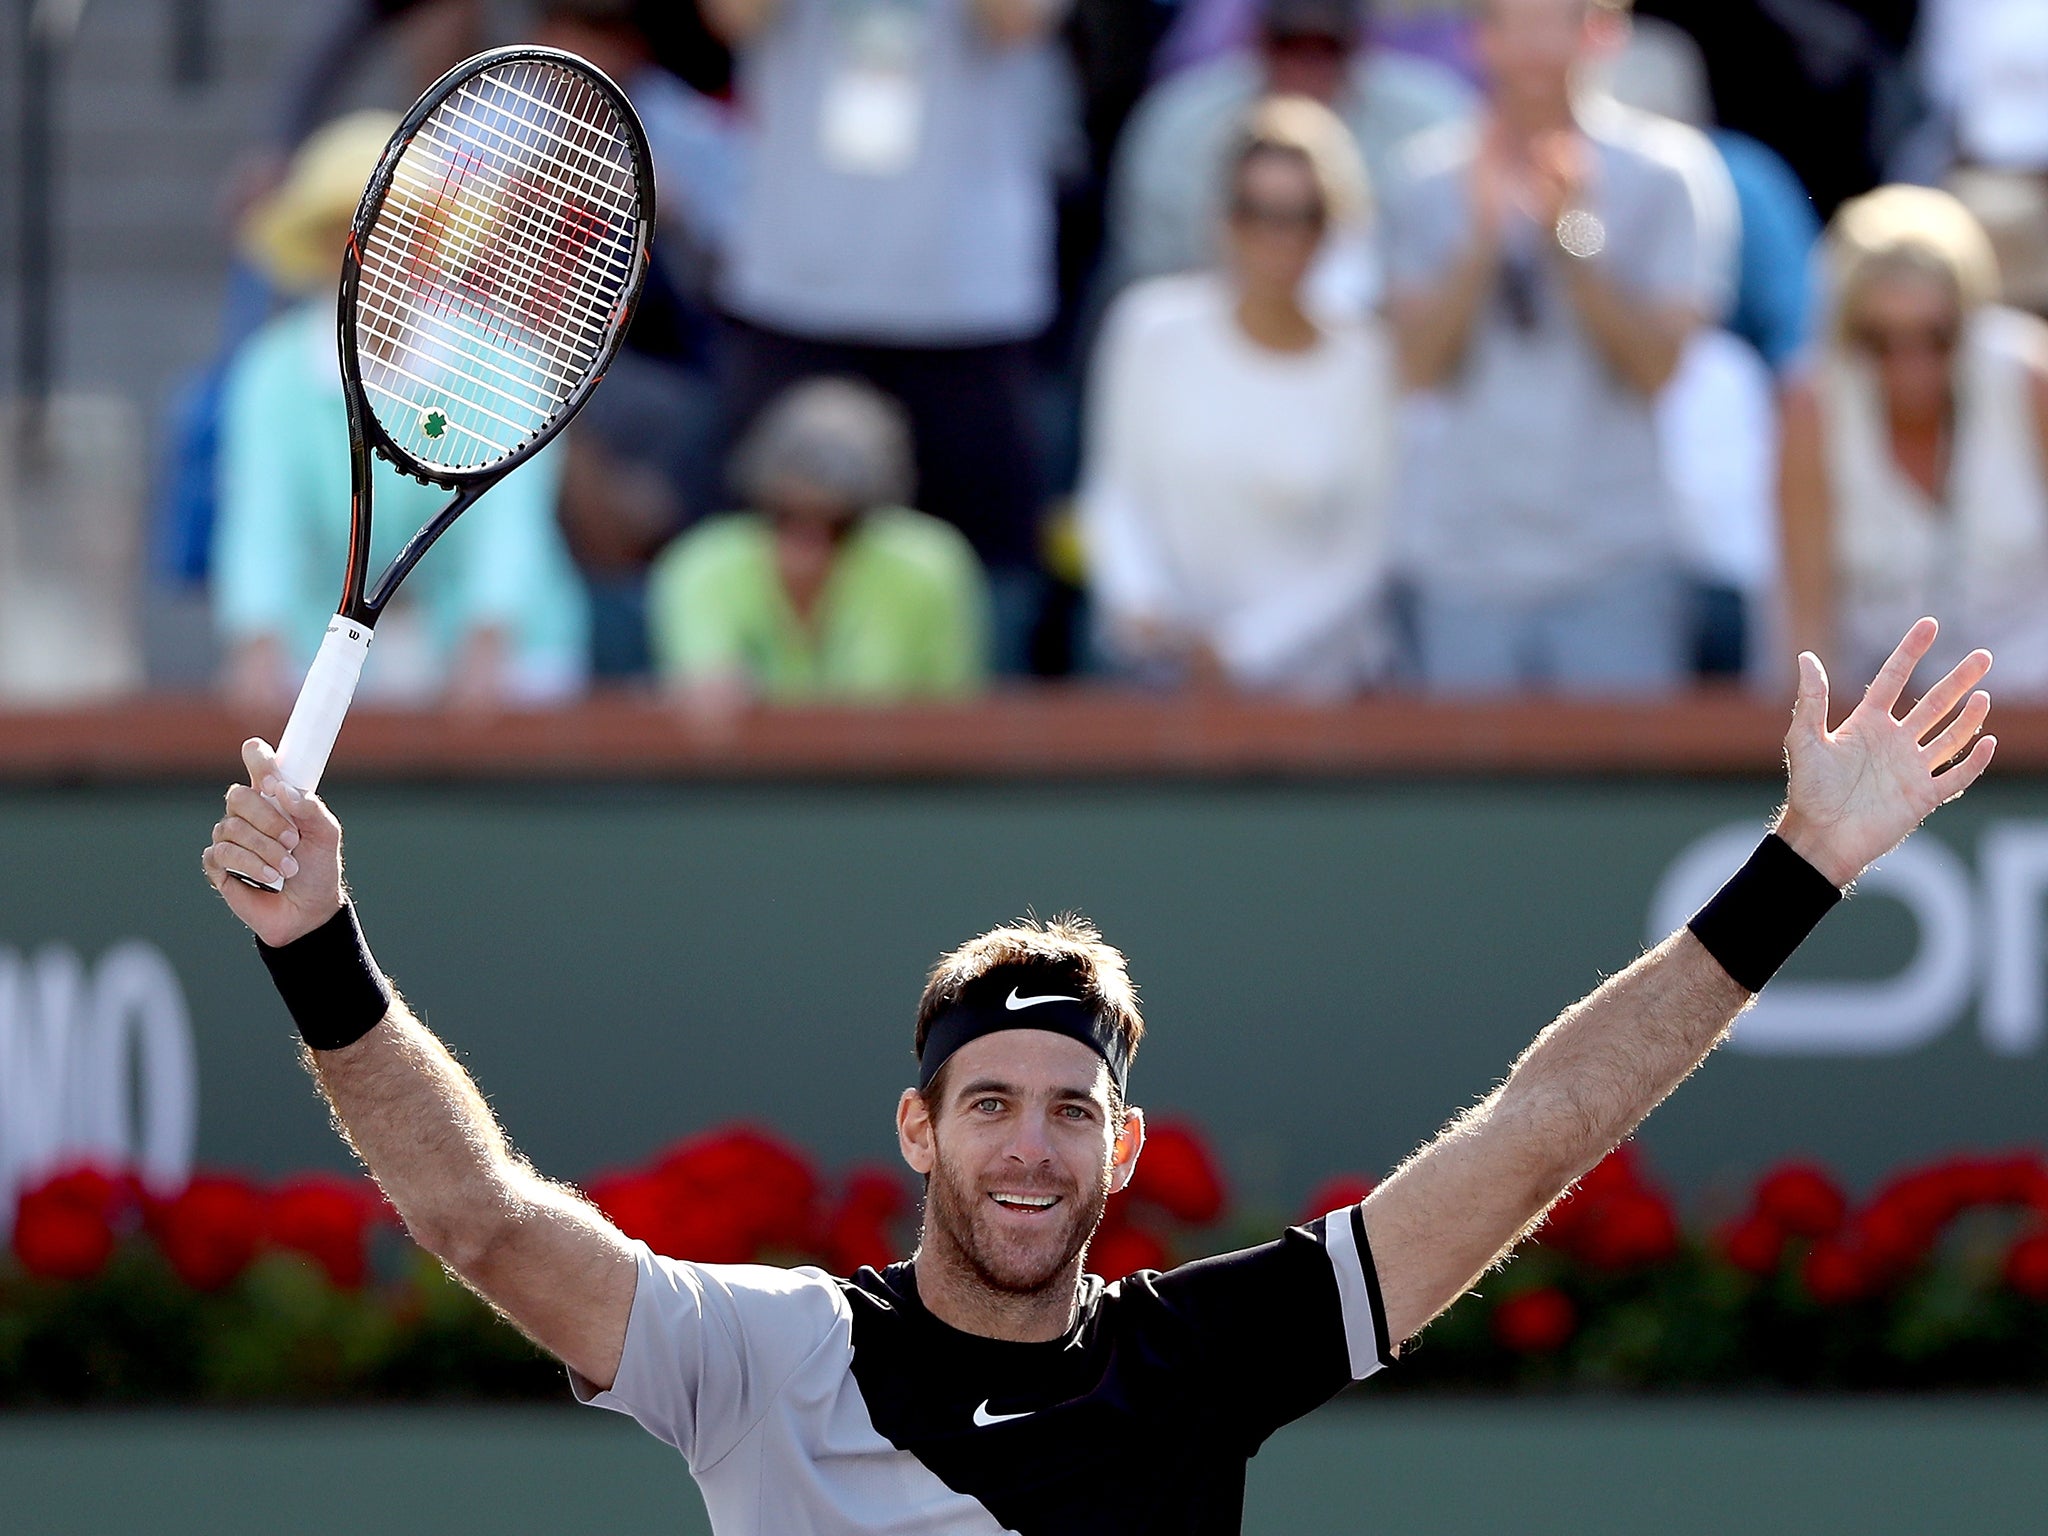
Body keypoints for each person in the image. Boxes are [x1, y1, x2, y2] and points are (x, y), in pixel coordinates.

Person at [200, 615, 1996, 1531]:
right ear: (919, 1128)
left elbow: (1542, 1133)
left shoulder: (1203, 1359)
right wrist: (314, 942)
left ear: (1121, 1147)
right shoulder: (761, 1361)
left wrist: (1798, 870)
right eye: (988, 1102)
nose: (1028, 1146)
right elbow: (479, 1217)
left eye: (1067, 1108)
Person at [701, 0, 1077, 668]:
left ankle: (981, 762)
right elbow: (735, 16)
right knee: (769, 556)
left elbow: (1017, 20)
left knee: (988, 581)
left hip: (967, 302)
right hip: (796, 291)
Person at [1382, 0, 1736, 695]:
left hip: (1615, 557)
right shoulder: (1422, 179)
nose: (1536, 49)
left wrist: (1573, 241)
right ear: (1480, 39)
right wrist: (1481, 243)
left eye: (1557, 23)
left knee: (1624, 794)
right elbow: (1414, 369)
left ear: (1599, 32)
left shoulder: (1668, 171)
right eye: (1515, 24)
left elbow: (1660, 369)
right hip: (1465, 560)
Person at [212, 113, 589, 711]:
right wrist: (257, 643)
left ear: (433, 241)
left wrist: (488, 638)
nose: (373, 252)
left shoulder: (507, 363)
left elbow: (509, 520)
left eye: (399, 229)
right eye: (348, 233)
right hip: (326, 654)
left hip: (512, 667)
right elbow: (261, 522)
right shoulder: (271, 376)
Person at [1082, 97, 1395, 695]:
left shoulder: (1367, 360)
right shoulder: (1148, 328)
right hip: (1164, 687)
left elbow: (1363, 553)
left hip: (1315, 702)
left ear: (1334, 226)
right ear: (1224, 219)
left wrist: (1241, 651)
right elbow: (1116, 495)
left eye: (1303, 216)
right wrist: (1142, 605)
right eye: (1256, 213)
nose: (1278, 238)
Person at [1781, 185, 2048, 698]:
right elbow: (1808, 624)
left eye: (1936, 336)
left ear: (1969, 323)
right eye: (1879, 340)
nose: (1911, 365)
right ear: (1846, 334)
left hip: (2037, 712)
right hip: (1884, 735)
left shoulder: (2028, 379)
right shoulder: (1812, 411)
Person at [1107, 0, 1474, 311]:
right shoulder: (1181, 121)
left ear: (1359, 48)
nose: (1306, 66)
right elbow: (1154, 259)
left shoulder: (1431, 115)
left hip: (1381, 339)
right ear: (1258, 44)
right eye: (1289, 46)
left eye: (1326, 50)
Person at [648, 378, 991, 707]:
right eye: (786, 516)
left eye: (838, 526)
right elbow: (702, 693)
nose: (809, 542)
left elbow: (953, 711)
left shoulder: (931, 563)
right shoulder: (703, 564)